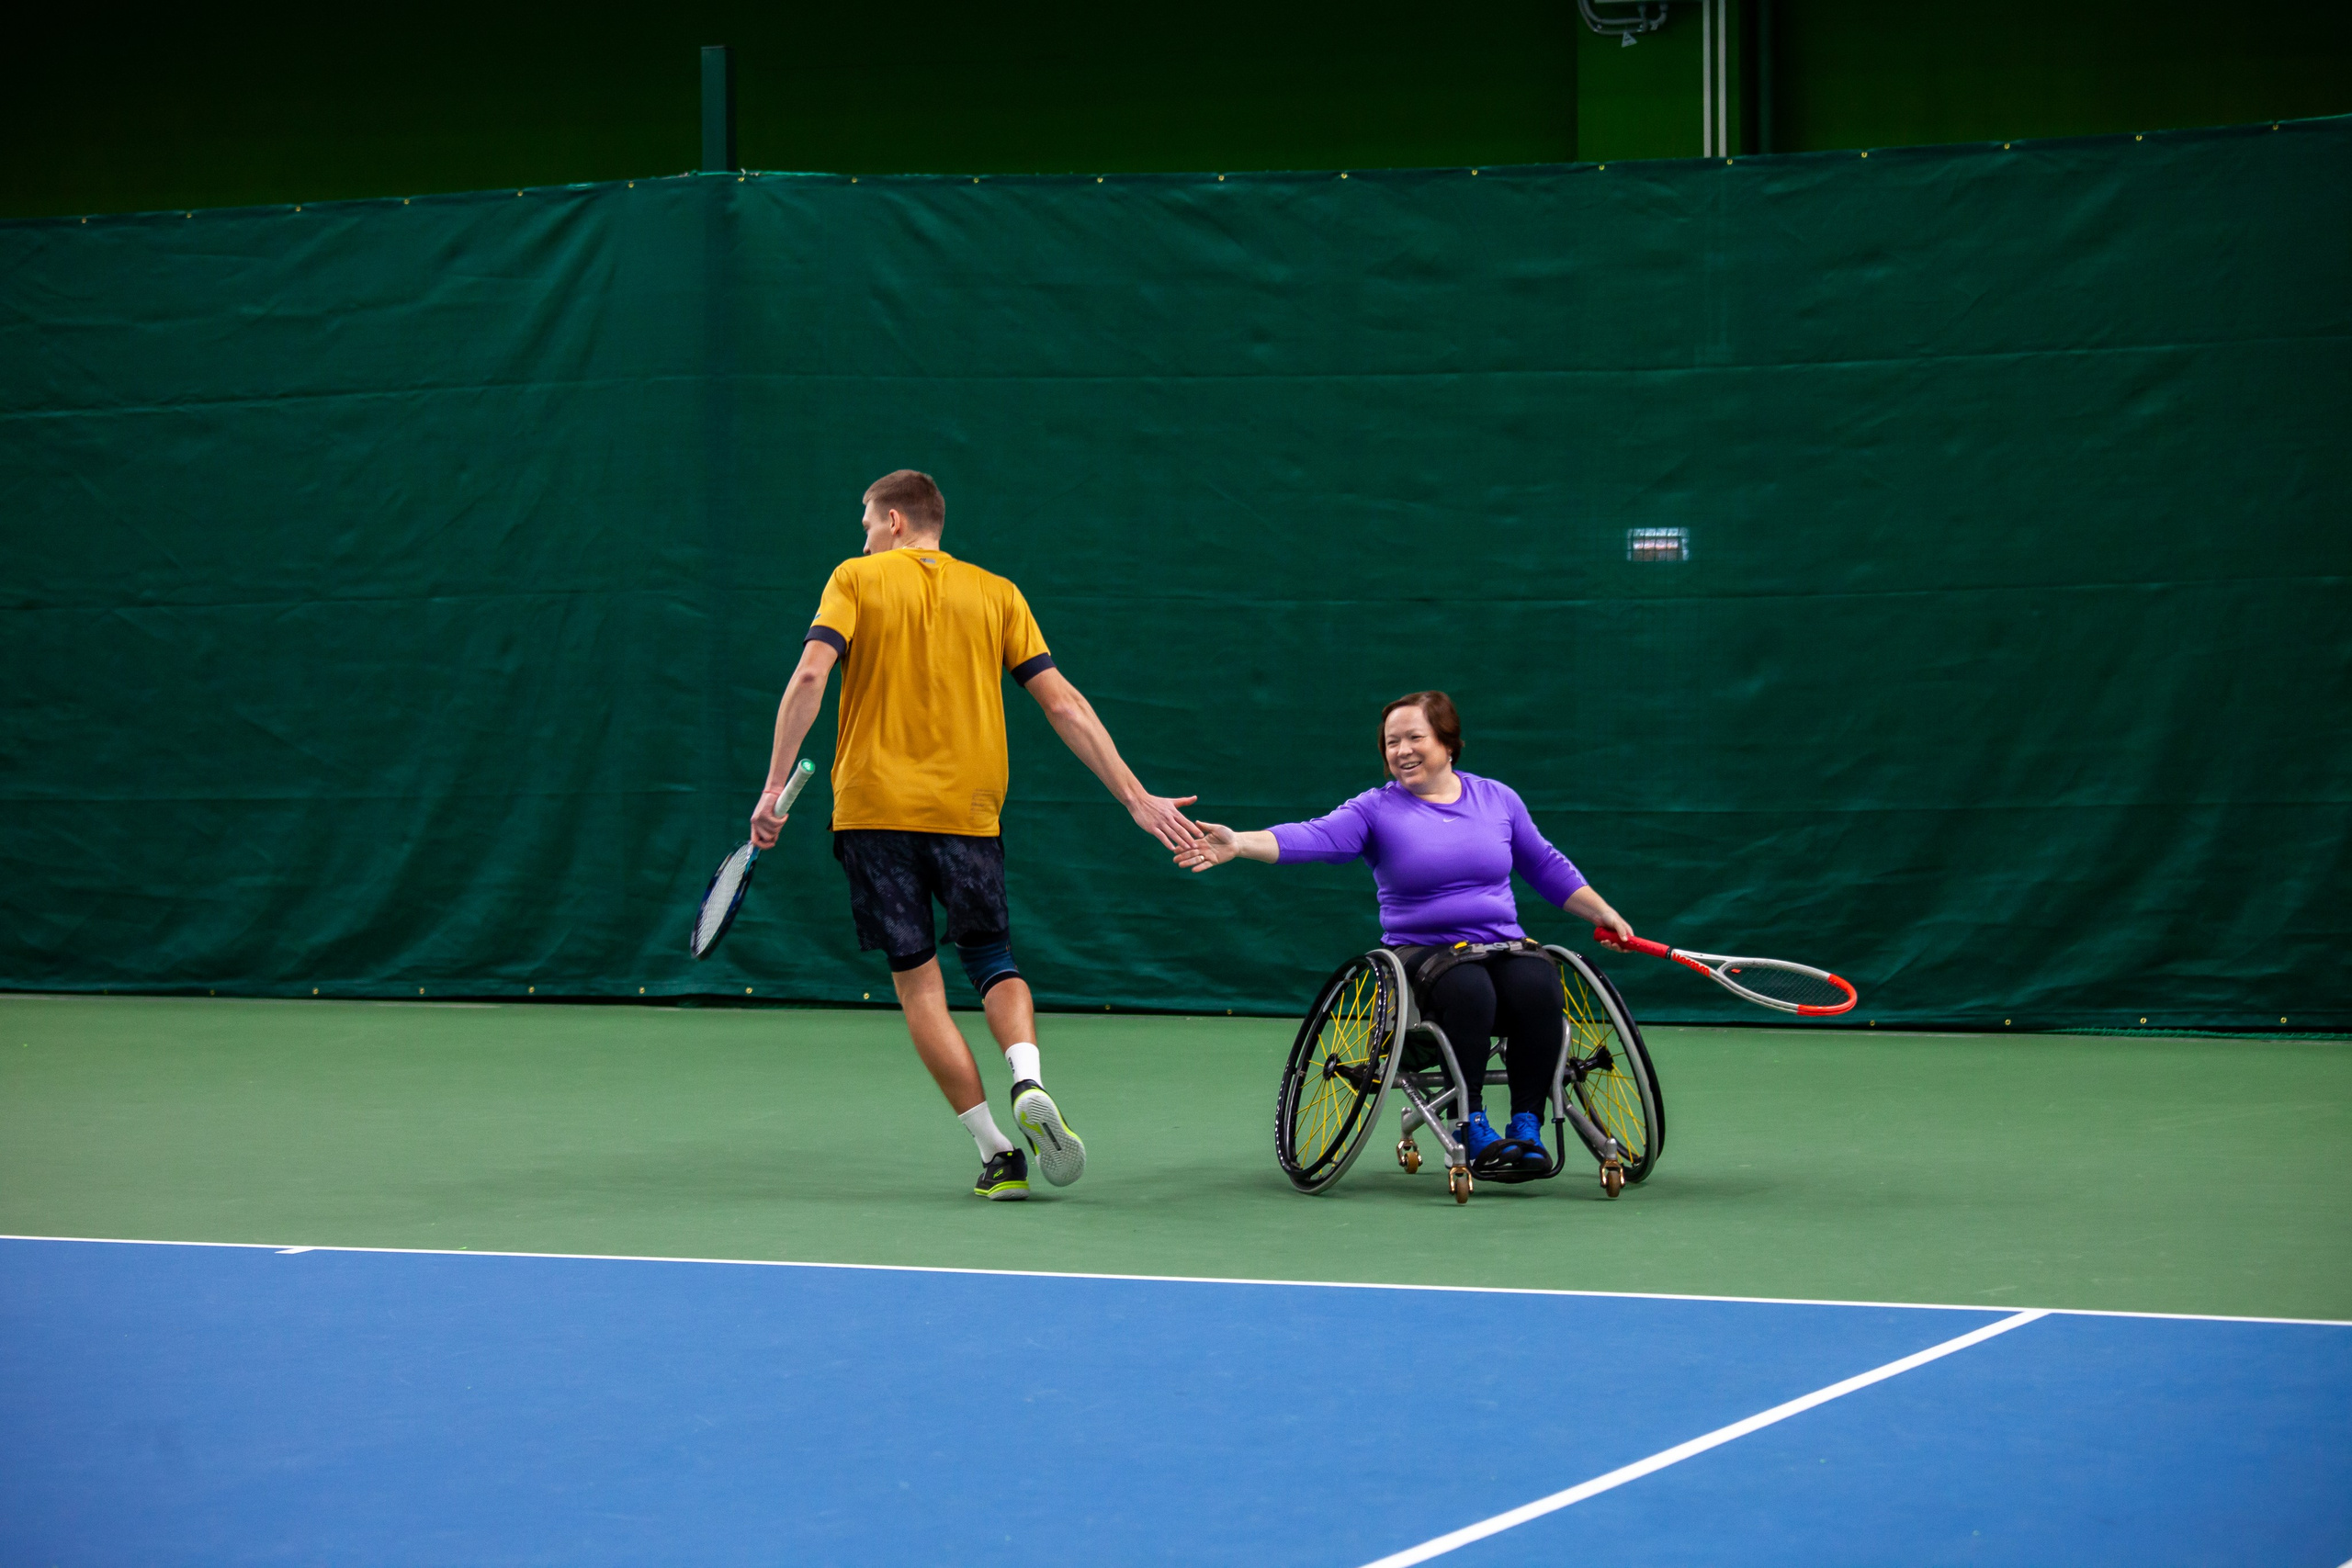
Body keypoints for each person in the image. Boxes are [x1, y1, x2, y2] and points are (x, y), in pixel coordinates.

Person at [752, 470, 1200, 1200]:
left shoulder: (855, 579)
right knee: (992, 956)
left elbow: (809, 677)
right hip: (969, 813)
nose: (861, 534)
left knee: (921, 986)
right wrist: (1134, 796)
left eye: (866, 520)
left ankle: (998, 1151)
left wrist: (774, 789)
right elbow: (1066, 705)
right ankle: (1028, 1077)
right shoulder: (998, 592)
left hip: (874, 815)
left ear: (895, 520)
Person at [1174, 691, 1635, 1168]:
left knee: (1539, 984)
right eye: (1392, 742)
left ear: (1448, 743)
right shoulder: (1375, 809)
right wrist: (1241, 844)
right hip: (1423, 955)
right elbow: (1315, 836)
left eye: (1415, 737)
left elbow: (1543, 863)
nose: (1402, 750)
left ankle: (1527, 1127)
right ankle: (1473, 1124)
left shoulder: (1498, 799)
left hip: (1501, 943)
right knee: (1470, 990)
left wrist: (1602, 912)